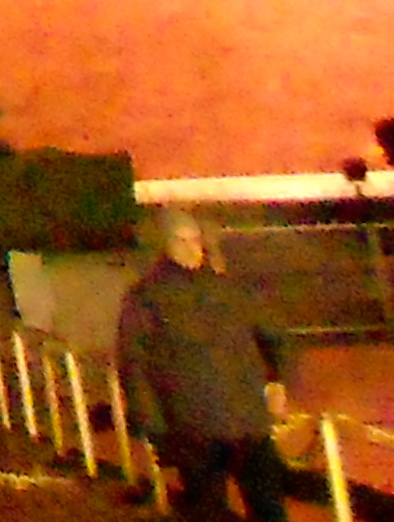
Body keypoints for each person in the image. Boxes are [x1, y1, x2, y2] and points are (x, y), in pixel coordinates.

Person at [116, 210, 296, 522]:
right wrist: (152, 427)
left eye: (195, 240)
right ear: (166, 245)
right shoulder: (147, 297)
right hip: (192, 428)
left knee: (269, 508)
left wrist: (277, 381)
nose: (190, 249)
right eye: (181, 241)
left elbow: (274, 335)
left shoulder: (230, 289)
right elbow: (134, 363)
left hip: (247, 422)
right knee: (209, 511)